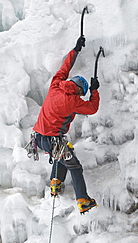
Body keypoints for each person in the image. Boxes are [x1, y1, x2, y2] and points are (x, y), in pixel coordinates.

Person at [33, 36, 100, 214]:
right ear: (79, 90)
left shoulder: (56, 85)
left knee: (64, 151)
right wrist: (94, 92)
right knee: (75, 166)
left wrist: (75, 50)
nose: (80, 95)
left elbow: (65, 67)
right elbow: (92, 108)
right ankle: (83, 200)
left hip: (39, 137)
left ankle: (55, 182)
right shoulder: (73, 101)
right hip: (52, 140)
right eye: (81, 93)